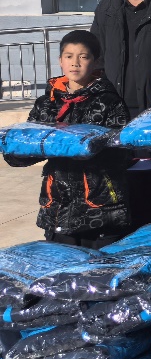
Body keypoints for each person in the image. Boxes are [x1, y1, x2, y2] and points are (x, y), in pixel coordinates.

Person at [3, 31, 131, 248]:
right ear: (60, 60)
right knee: (62, 265)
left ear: (96, 61)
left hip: (99, 206)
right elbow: (24, 149)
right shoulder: (46, 103)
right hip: (57, 207)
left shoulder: (110, 102)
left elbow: (123, 153)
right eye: (69, 56)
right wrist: (16, 149)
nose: (75, 63)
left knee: (99, 266)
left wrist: (84, 148)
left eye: (83, 56)